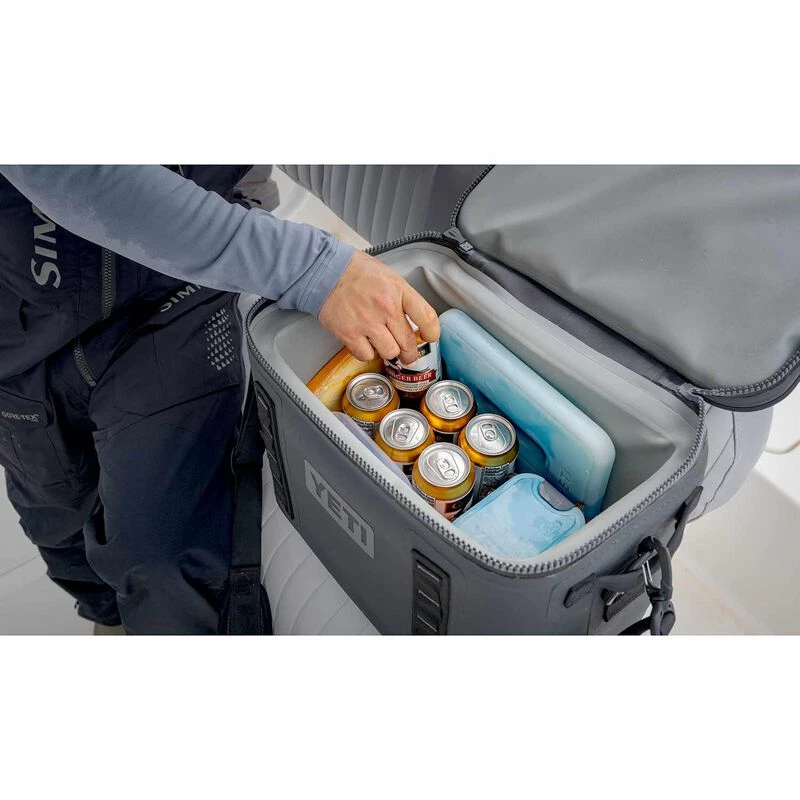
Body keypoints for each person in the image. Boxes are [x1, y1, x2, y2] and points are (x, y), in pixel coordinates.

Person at [0, 165, 440, 634]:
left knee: (165, 561)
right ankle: (110, 619)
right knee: (57, 524)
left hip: (178, 290)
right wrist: (312, 267)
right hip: (19, 327)